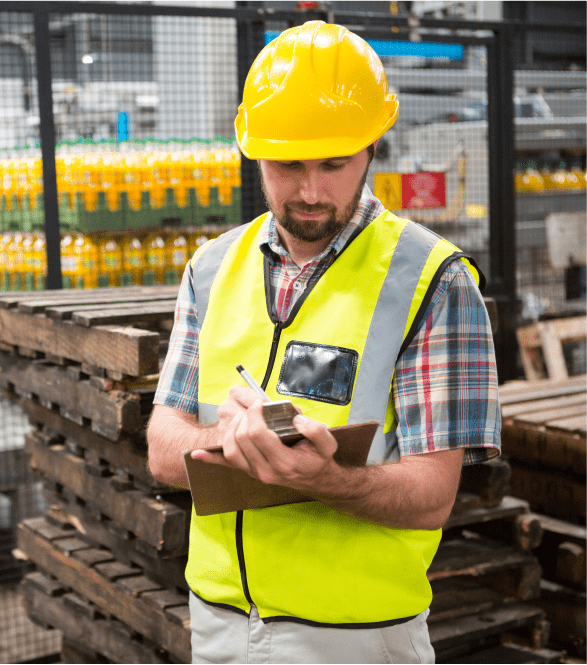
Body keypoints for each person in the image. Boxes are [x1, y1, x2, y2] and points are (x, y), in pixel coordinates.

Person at [147, 20, 501, 664]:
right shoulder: (210, 269)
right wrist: (226, 445)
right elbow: (164, 446)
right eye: (288, 164)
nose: (310, 192)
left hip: (358, 641)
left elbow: (432, 495)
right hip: (220, 628)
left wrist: (328, 478)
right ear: (255, 152)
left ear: (371, 147)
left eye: (334, 164)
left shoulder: (434, 284)